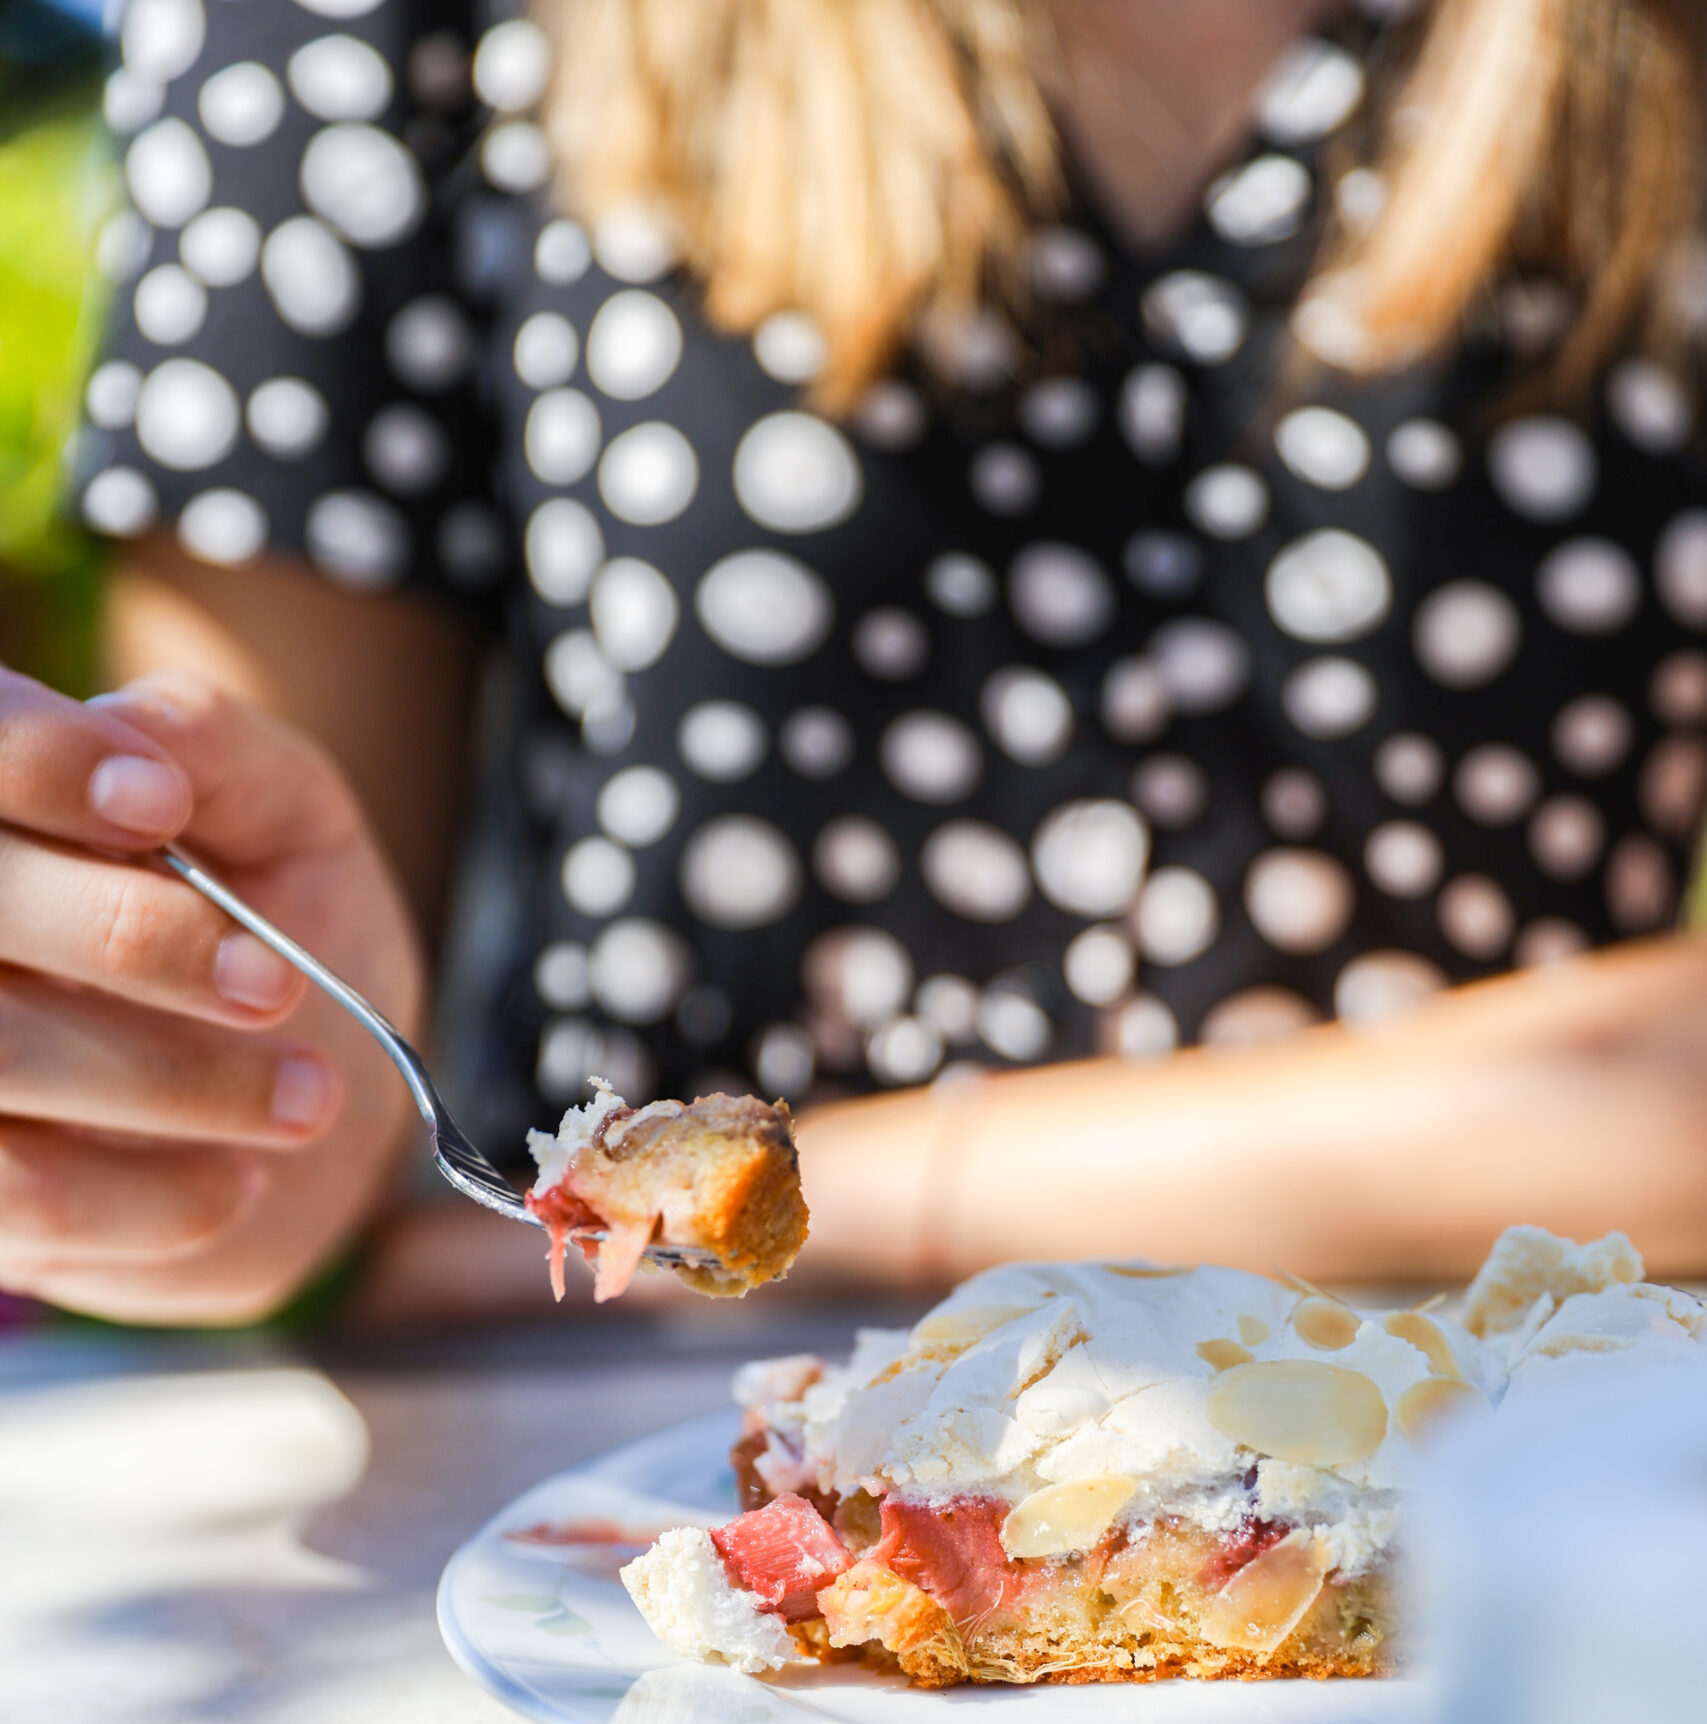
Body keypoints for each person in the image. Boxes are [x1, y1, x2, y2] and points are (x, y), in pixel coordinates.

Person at [6, 0, 1707, 1324]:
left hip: (1511, 1503)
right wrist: (241, 1113)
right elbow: (288, 1125)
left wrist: (875, 1196)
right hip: (633, 1539)